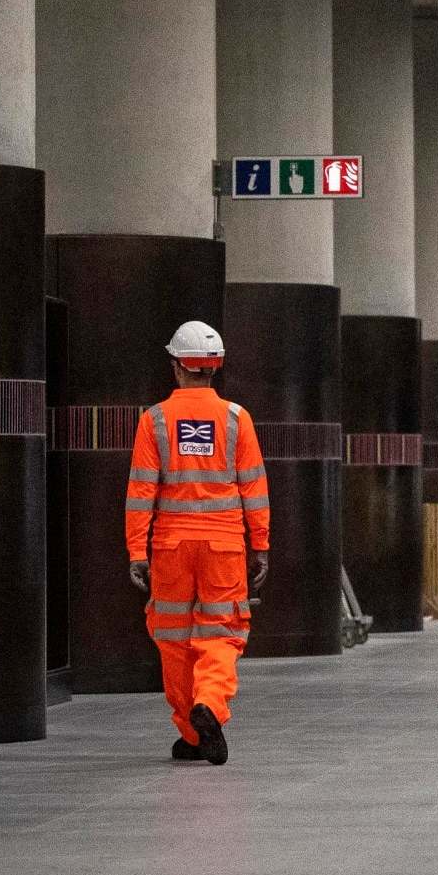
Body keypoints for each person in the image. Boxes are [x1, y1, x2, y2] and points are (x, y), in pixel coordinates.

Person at [124, 320, 271, 765]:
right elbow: (255, 487)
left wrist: (136, 550)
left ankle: (190, 733)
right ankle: (209, 704)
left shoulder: (154, 420)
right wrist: (259, 545)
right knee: (221, 634)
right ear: (215, 368)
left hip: (169, 547)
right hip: (224, 546)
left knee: (173, 639)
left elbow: (141, 490)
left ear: (176, 367)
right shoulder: (236, 419)